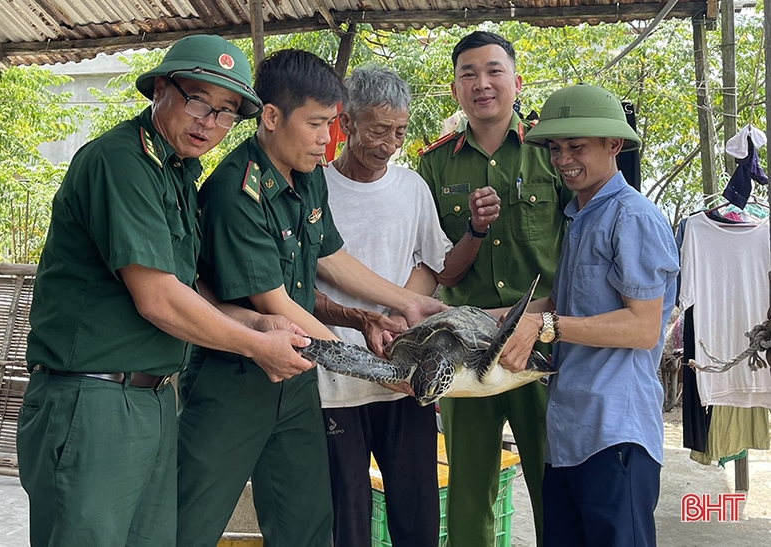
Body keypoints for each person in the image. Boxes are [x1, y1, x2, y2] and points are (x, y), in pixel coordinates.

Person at [16, 35, 316, 547]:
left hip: (153, 398)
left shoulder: (175, 173)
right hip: (93, 399)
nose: (209, 122)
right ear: (159, 88)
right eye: (198, 100)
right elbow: (156, 297)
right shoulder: (120, 161)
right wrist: (254, 344)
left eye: (225, 113)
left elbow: (186, 287)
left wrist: (256, 321)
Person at [175, 49, 446, 547]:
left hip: (297, 382)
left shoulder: (307, 174)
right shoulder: (237, 192)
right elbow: (276, 303)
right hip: (237, 379)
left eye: (332, 124)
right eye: (318, 124)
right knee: (188, 519)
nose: (328, 138)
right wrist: (385, 372)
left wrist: (403, 304)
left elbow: (332, 257)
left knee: (309, 525)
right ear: (272, 118)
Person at [313, 64, 499, 547]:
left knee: (416, 515)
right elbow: (309, 277)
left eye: (399, 130)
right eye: (378, 129)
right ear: (346, 122)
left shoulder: (411, 187)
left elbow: (436, 268)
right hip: (336, 381)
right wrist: (390, 307)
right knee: (345, 517)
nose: (389, 143)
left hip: (406, 379)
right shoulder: (314, 188)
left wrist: (475, 231)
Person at [500, 83, 679, 547]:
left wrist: (545, 327)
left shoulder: (632, 217)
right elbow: (562, 305)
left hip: (616, 433)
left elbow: (642, 327)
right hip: (568, 432)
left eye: (576, 147)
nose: (562, 160)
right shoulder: (581, 216)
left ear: (613, 145)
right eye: (556, 148)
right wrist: (471, 316)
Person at [416, 31, 572, 547]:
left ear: (516, 81)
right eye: (468, 74)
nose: (482, 83)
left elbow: (575, 250)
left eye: (493, 71)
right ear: (456, 90)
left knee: (556, 478)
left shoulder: (552, 153)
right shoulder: (434, 164)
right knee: (468, 488)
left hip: (541, 345)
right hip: (465, 351)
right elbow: (437, 268)